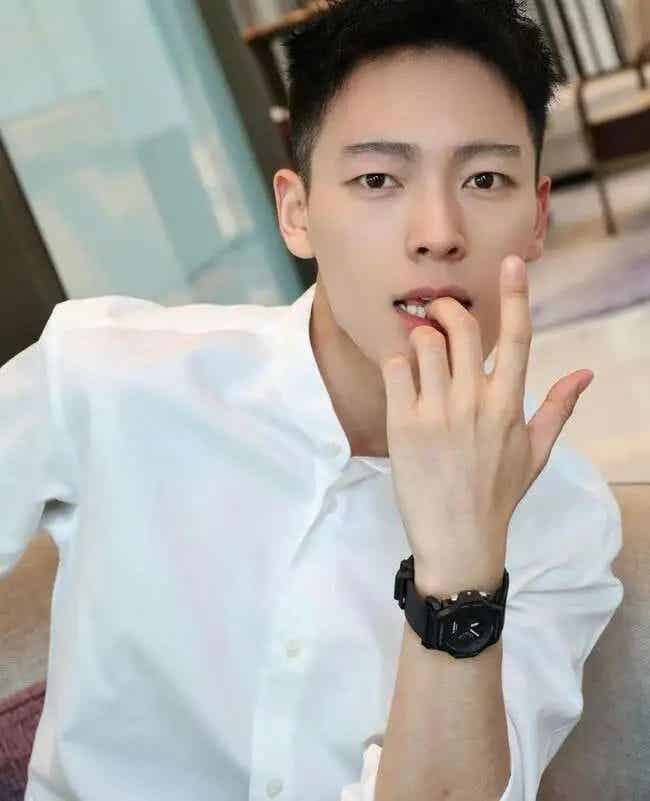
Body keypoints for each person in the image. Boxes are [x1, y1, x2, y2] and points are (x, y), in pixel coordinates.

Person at [0, 1, 623, 800]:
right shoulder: (108, 373)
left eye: (484, 179)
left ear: (537, 217)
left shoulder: (563, 516)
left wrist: (460, 568)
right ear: (296, 213)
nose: (438, 232)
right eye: (377, 179)